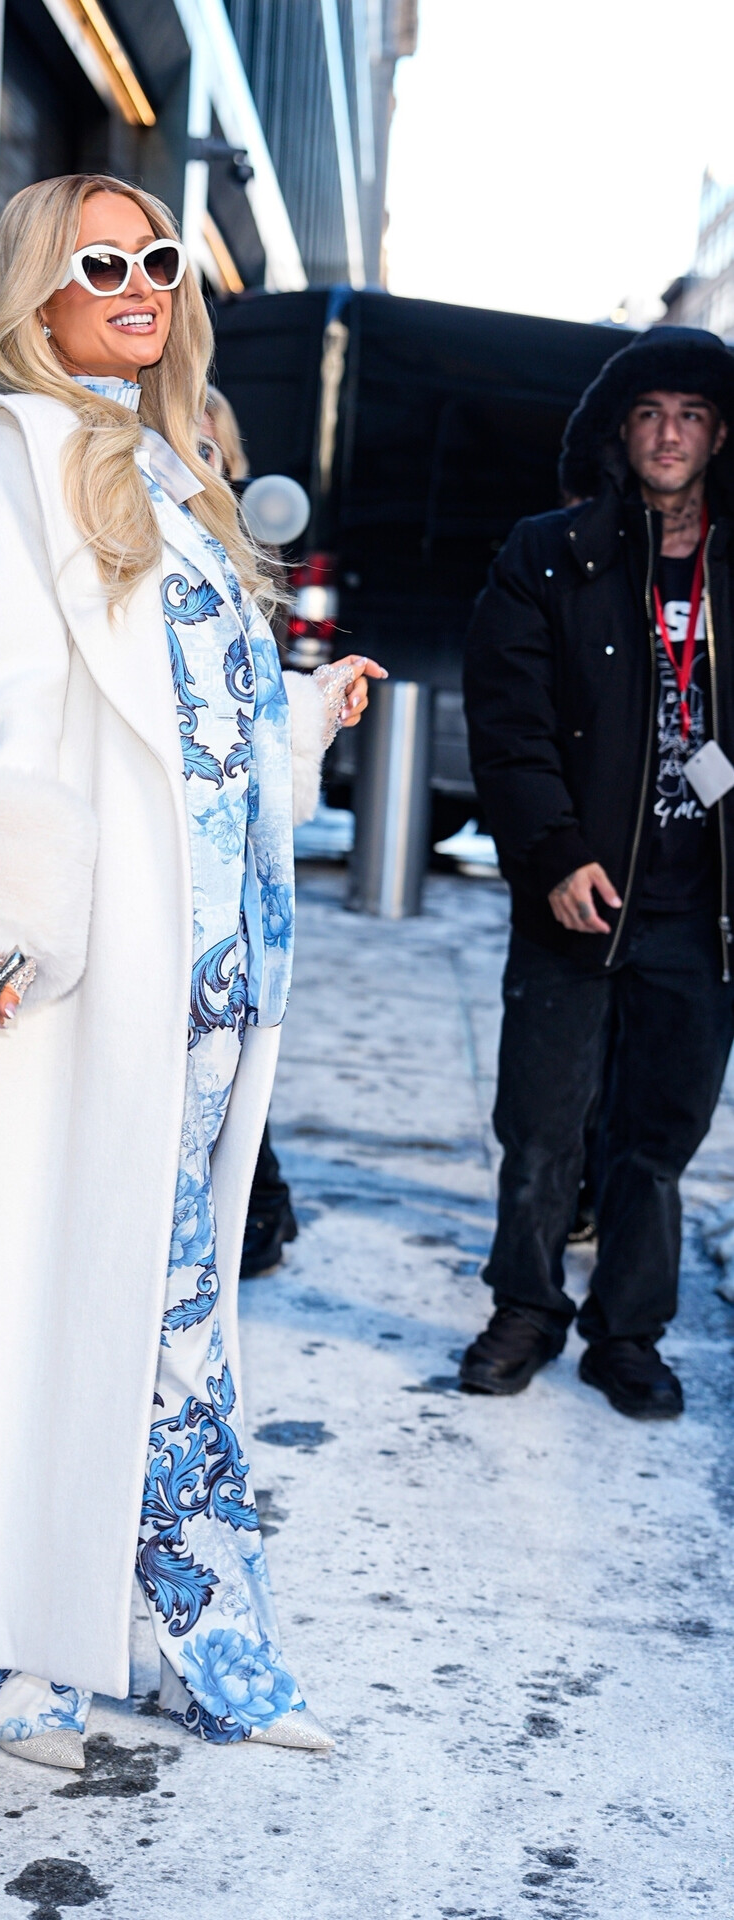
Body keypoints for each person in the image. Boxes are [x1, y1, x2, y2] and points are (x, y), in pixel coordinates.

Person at [0, 174, 385, 1771]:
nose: (140, 285)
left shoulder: (171, 466)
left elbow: (187, 725)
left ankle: (195, 1640)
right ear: (36, 291)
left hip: (215, 964)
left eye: (159, 259)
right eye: (102, 262)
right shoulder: (18, 443)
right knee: (65, 1298)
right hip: (96, 966)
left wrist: (303, 715)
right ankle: (18, 1648)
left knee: (169, 1308)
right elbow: (7, 697)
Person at [460, 326, 734, 1420]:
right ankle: (524, 1311)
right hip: (574, 896)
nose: (668, 436)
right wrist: (553, 853)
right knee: (539, 1128)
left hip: (701, 912)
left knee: (654, 1143)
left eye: (690, 416)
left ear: (718, 435)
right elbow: (506, 725)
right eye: (648, 415)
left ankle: (627, 1336)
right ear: (619, 432)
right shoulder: (548, 554)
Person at [197, 383, 299, 1274]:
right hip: (147, 842)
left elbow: (255, 715)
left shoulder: (234, 562)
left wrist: (314, 707)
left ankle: (257, 1201)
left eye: (209, 445)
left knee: (222, 1026)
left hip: (223, 851)